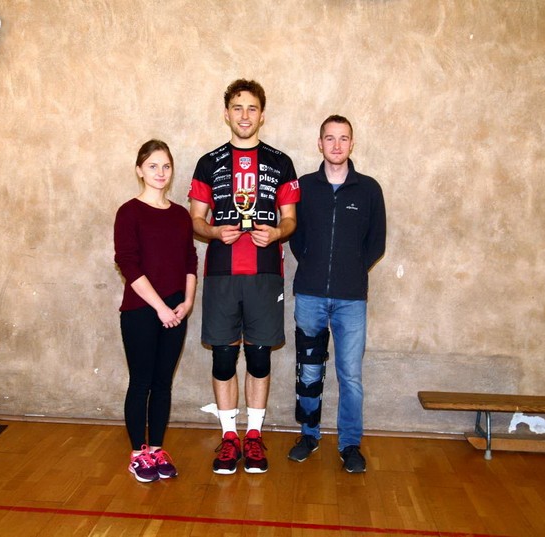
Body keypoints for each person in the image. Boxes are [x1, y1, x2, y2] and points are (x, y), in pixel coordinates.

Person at [189, 79, 299, 474]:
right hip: (221, 274)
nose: (245, 115)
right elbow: (196, 220)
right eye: (237, 107)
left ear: (262, 115)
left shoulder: (281, 162)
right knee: (222, 357)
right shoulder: (209, 163)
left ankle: (253, 435)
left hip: (265, 275)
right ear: (226, 114)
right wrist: (214, 231)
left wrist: (278, 233)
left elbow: (290, 220)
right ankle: (228, 437)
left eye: (252, 108)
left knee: (258, 355)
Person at [287, 115, 386, 473]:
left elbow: (376, 243)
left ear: (352, 143)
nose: (337, 145)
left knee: (350, 376)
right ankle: (308, 435)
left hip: (351, 299)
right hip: (310, 295)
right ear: (320, 143)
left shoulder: (369, 189)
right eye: (330, 138)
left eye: (343, 138)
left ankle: (350, 444)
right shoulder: (304, 187)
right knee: (309, 370)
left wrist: (351, 270)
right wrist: (313, 264)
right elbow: (294, 236)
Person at [114, 139, 198, 483]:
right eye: (152, 166)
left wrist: (187, 302)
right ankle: (138, 453)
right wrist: (160, 307)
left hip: (175, 311)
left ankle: (158, 449)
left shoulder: (180, 215)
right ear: (139, 170)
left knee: (163, 384)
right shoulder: (129, 212)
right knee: (142, 382)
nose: (160, 172)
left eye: (166, 166)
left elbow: (190, 260)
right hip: (141, 311)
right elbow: (128, 264)